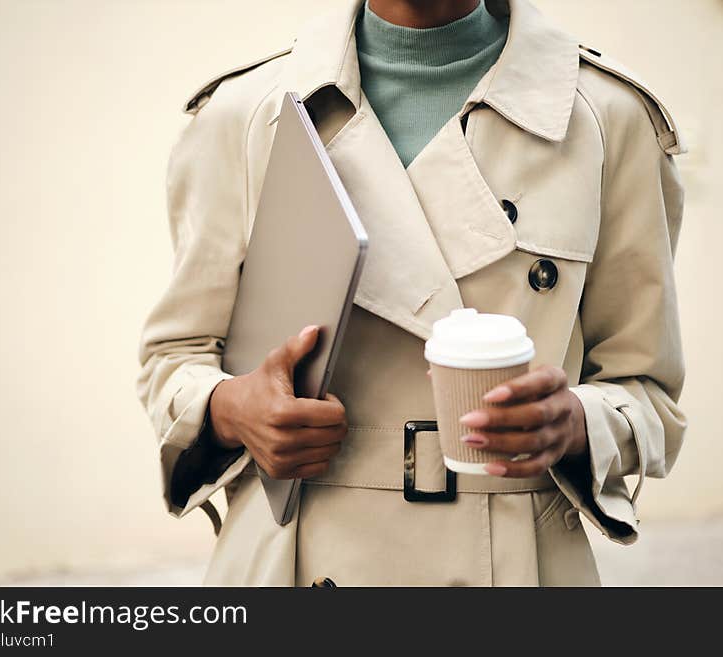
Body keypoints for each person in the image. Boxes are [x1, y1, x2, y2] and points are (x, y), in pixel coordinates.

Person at [137, 0, 687, 586]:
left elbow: (648, 391)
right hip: (296, 555)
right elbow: (174, 359)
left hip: (514, 554)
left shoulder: (607, 117)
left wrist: (573, 422)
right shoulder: (244, 113)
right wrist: (234, 410)